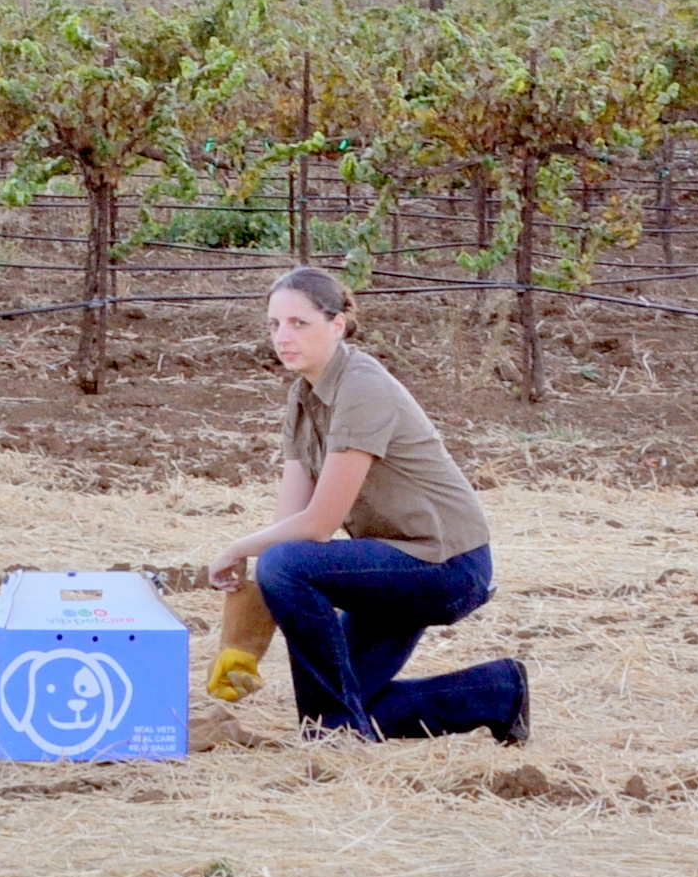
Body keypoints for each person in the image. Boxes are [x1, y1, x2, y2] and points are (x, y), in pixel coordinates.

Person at [206, 265, 528, 745]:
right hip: (391, 563)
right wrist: (245, 632)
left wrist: (238, 548)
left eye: (299, 323)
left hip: (446, 566)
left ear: (337, 325)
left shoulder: (362, 386)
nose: (282, 337)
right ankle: (498, 692)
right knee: (349, 698)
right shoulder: (303, 396)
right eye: (274, 324)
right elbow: (290, 522)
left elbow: (318, 526)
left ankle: (333, 736)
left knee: (287, 569)